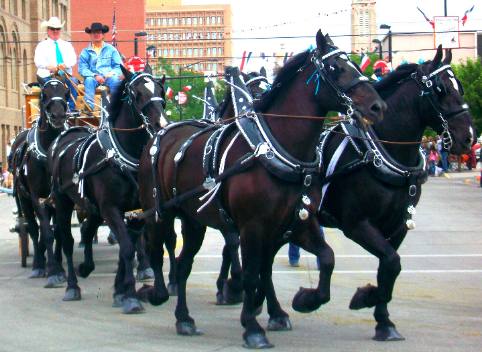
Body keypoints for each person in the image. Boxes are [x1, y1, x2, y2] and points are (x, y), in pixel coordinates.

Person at [34, 17, 78, 111]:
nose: (55, 31)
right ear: (48, 30)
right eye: (52, 29)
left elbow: (73, 59)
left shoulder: (67, 45)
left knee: (73, 82)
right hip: (47, 75)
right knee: (50, 88)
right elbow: (38, 61)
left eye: (57, 29)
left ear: (60, 30)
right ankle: (46, 109)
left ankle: (71, 109)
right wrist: (49, 67)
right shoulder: (42, 45)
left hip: (64, 75)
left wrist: (65, 65)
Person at [79, 22, 122, 112]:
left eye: (99, 32)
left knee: (115, 80)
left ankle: (116, 107)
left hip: (109, 76)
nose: (96, 34)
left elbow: (118, 66)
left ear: (103, 35)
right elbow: (82, 69)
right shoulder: (85, 52)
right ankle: (89, 108)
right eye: (94, 32)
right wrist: (95, 75)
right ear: (90, 35)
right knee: (89, 80)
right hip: (93, 77)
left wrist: (110, 74)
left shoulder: (111, 49)